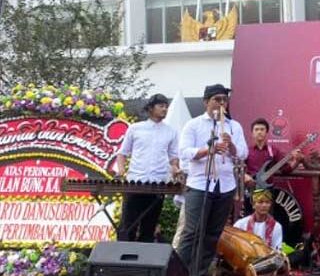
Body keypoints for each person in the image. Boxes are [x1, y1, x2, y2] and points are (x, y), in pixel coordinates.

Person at [177, 84, 249, 275]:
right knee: (192, 233)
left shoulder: (234, 126)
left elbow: (242, 154)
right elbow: (183, 152)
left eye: (224, 100)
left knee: (212, 235)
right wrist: (207, 150)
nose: (221, 103)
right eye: (217, 99)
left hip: (225, 186)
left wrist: (231, 146)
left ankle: (199, 272)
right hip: (200, 184)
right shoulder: (194, 124)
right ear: (206, 102)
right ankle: (180, 271)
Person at [116, 94, 180, 243]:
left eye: (166, 107)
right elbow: (122, 153)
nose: (164, 109)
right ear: (150, 108)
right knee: (128, 224)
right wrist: (121, 171)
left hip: (157, 183)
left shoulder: (171, 131)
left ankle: (142, 262)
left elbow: (173, 157)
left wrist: (175, 168)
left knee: (149, 226)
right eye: (161, 106)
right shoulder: (135, 128)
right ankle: (122, 261)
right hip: (135, 182)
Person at [244, 117, 303, 188]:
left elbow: (286, 170)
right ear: (252, 133)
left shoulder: (273, 150)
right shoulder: (246, 151)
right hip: (250, 189)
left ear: (266, 132)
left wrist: (297, 161)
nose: (259, 132)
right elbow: (239, 169)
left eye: (262, 129)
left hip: (268, 190)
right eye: (256, 129)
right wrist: (245, 176)